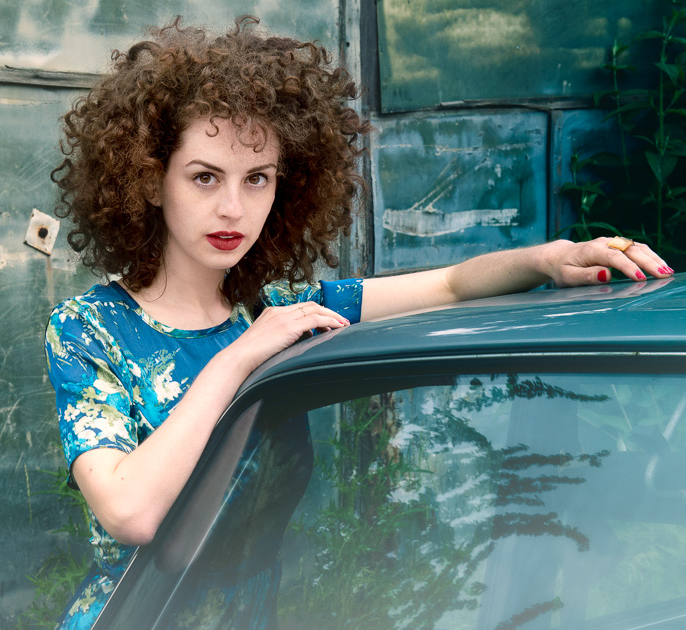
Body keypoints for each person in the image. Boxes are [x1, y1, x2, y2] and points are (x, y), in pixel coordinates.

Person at [43, 16, 673, 629]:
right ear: (151, 182)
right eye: (204, 177)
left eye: (257, 178)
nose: (233, 206)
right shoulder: (90, 328)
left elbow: (449, 285)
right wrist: (240, 355)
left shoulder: (274, 306)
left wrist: (549, 257)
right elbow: (130, 512)